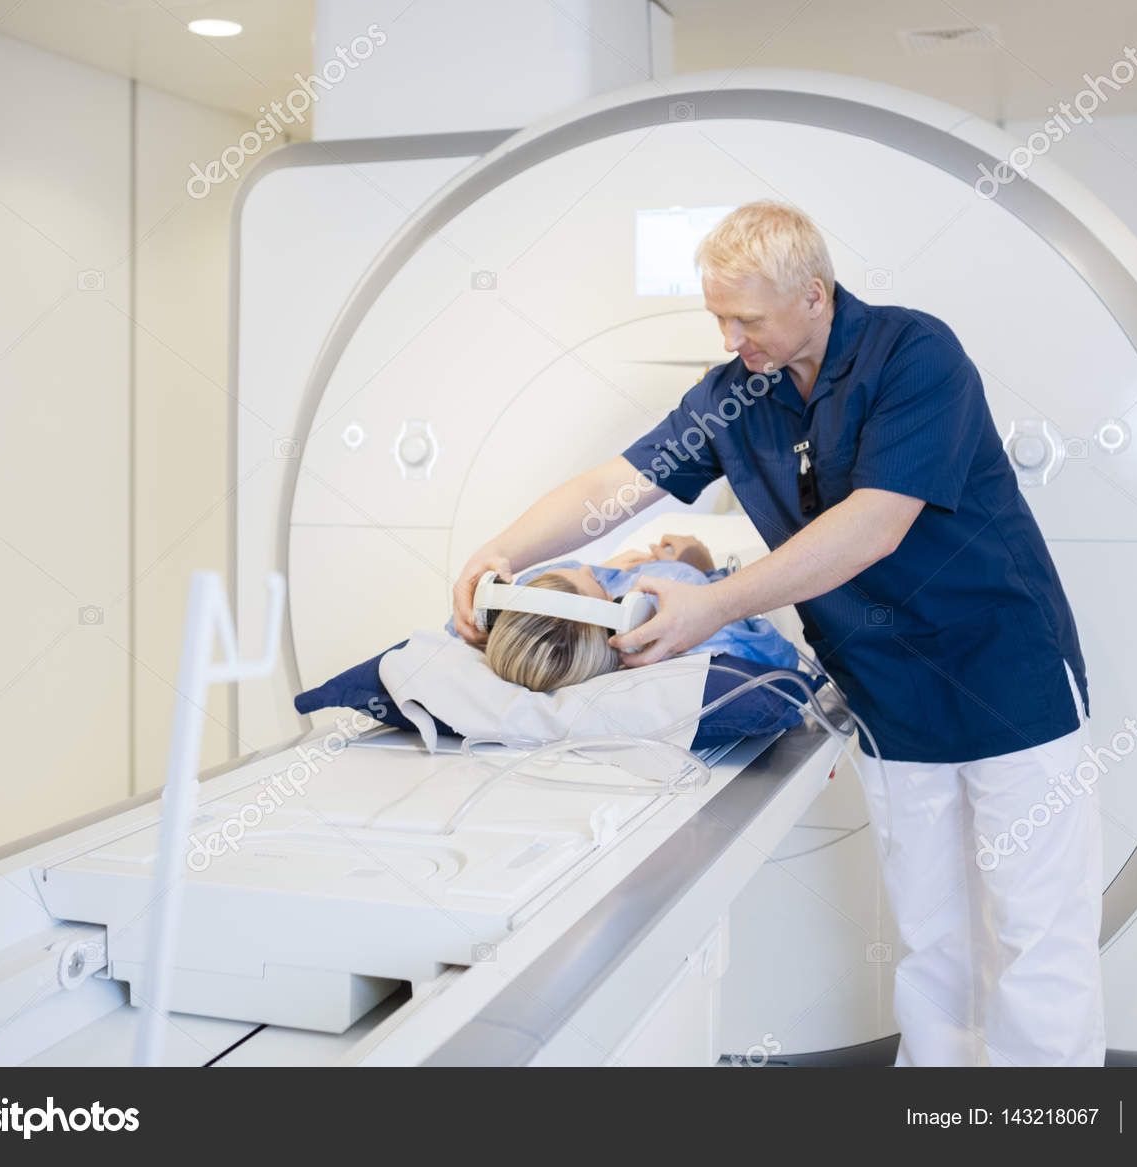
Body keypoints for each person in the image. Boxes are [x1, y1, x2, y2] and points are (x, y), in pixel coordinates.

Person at [450, 200, 1103, 1067]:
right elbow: (621, 482)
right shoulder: (736, 395)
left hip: (1006, 677)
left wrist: (714, 605)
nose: (729, 337)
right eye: (718, 316)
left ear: (816, 295)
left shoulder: (915, 355)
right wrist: (505, 547)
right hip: (890, 697)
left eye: (746, 319)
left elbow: (873, 524)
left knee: (1036, 937)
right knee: (935, 942)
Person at [456, 535, 799, 691]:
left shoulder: (522, 602)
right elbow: (778, 658)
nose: (593, 570)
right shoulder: (676, 586)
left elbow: (469, 621)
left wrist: (604, 569)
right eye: (603, 588)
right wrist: (704, 572)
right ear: (627, 622)